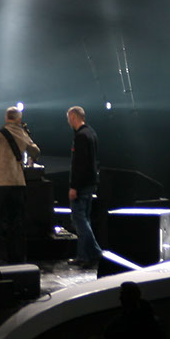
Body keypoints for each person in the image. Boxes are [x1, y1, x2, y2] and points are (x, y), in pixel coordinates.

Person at [0, 106, 40, 266]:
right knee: (16, 222)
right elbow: (36, 151)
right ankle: (18, 257)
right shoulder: (23, 134)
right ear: (19, 119)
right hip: (18, 183)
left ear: (6, 118)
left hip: (1, 184)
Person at [66, 105, 100, 268]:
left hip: (82, 185)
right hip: (91, 183)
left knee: (80, 222)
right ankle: (84, 255)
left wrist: (74, 187)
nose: (68, 122)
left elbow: (79, 164)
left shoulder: (80, 136)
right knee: (85, 220)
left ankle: (96, 253)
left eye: (69, 118)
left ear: (73, 117)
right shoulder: (91, 133)